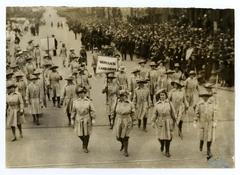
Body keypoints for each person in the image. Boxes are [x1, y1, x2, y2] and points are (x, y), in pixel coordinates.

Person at [151, 89, 176, 157]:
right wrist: (153, 121)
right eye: (161, 95)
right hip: (160, 121)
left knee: (168, 137)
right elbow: (154, 114)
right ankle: (162, 144)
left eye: (163, 95)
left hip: (168, 121)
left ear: (166, 95)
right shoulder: (156, 104)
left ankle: (167, 151)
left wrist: (174, 120)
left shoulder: (170, 103)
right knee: (160, 137)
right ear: (159, 96)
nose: (162, 96)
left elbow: (173, 113)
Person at [71, 86, 96, 153]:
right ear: (78, 94)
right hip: (78, 118)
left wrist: (93, 118)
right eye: (79, 93)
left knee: (87, 133)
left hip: (86, 118)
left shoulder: (88, 101)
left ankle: (85, 146)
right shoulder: (75, 102)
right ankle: (84, 142)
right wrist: (72, 119)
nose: (81, 94)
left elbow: (92, 110)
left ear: (85, 93)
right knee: (79, 134)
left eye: (82, 93)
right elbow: (73, 111)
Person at [194, 88, 217, 160]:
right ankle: (201, 143)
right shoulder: (199, 104)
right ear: (202, 97)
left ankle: (208, 150)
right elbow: (196, 113)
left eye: (207, 96)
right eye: (204, 96)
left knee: (209, 137)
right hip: (202, 122)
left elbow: (214, 114)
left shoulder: (212, 104)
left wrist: (215, 122)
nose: (205, 97)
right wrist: (195, 121)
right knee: (202, 136)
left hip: (209, 123)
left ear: (209, 97)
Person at [112, 90, 135, 157]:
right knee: (118, 137)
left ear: (126, 96)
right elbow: (113, 111)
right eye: (120, 96)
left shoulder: (130, 103)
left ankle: (126, 151)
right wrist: (112, 120)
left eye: (122, 96)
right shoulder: (117, 102)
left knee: (126, 137)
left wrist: (133, 121)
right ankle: (122, 143)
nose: (121, 97)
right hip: (118, 120)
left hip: (127, 120)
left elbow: (133, 112)